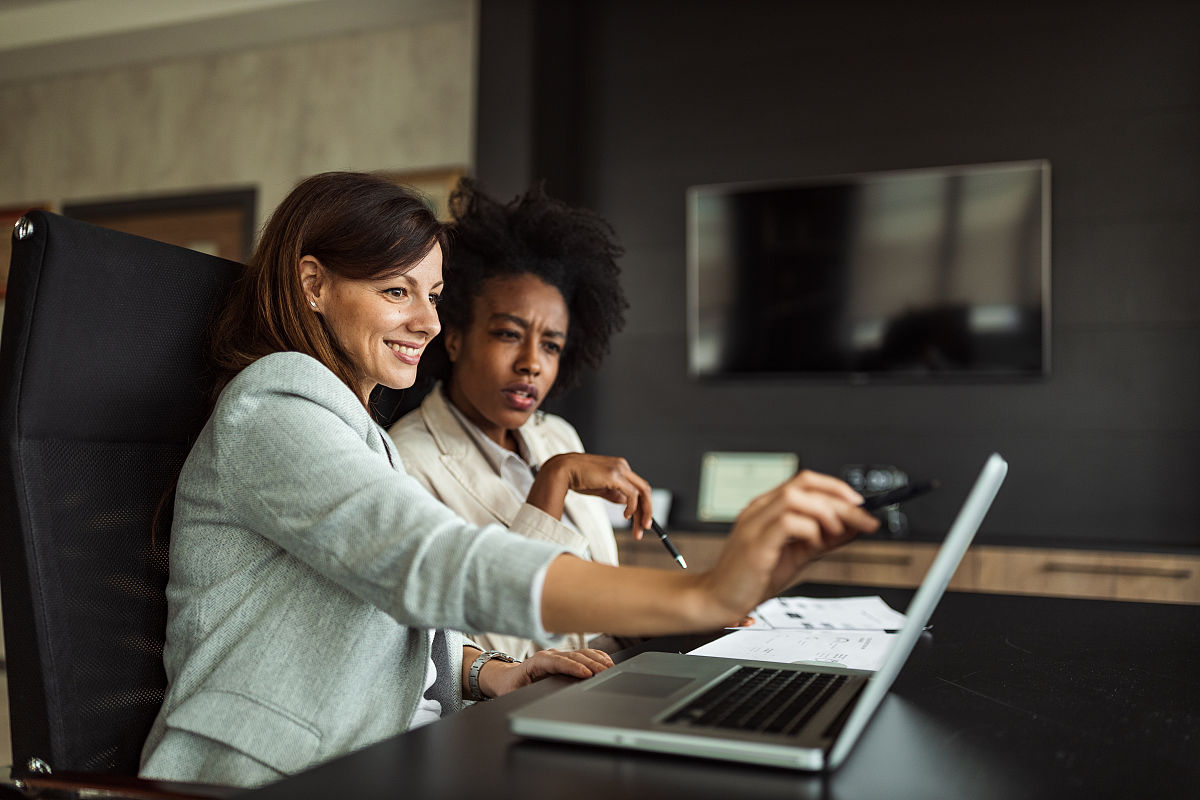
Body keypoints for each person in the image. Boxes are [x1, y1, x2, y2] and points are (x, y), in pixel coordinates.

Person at [139, 171, 879, 788]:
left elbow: (380, 616)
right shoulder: (276, 402)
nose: (427, 323)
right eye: (397, 291)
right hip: (266, 775)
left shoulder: (352, 428)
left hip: (387, 754)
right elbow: (424, 561)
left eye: (433, 295)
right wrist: (701, 592)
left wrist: (485, 672)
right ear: (313, 284)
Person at [388, 179, 633, 659]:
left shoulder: (557, 435)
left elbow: (595, 608)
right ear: (453, 337)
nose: (532, 363)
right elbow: (486, 650)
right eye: (508, 334)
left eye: (551, 345)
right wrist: (553, 483)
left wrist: (677, 623)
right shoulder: (408, 464)